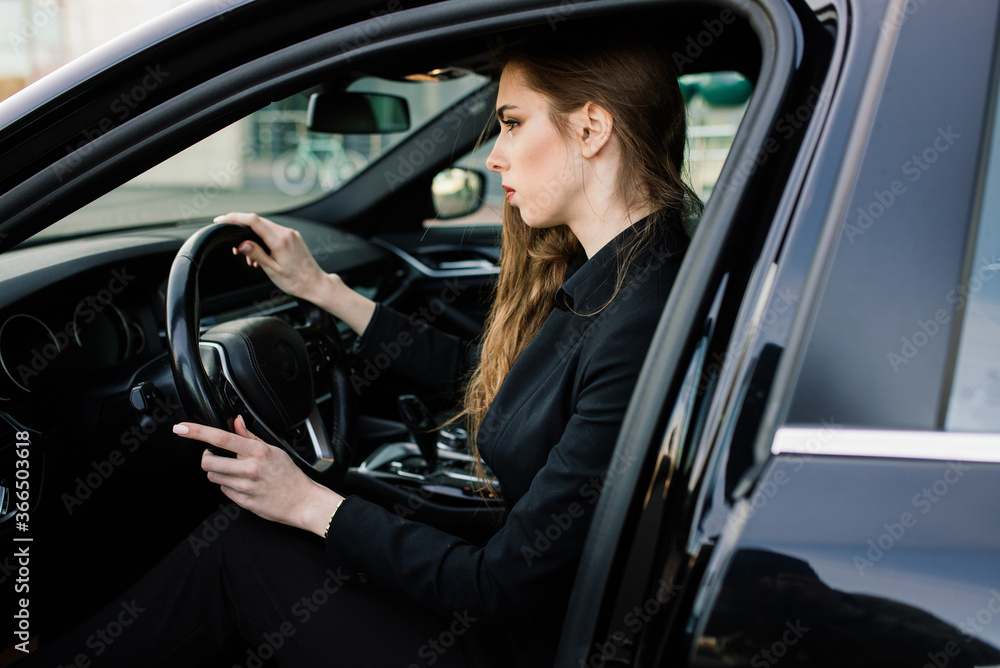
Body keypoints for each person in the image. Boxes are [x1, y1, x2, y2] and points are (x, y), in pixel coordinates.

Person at [26, 27, 699, 668]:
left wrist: (308, 503)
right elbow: (506, 386)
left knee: (242, 548)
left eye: (513, 122)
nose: (494, 154)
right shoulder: (629, 279)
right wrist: (320, 290)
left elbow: (497, 585)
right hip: (540, 609)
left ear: (591, 128)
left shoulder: (636, 319)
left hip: (526, 643)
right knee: (295, 511)